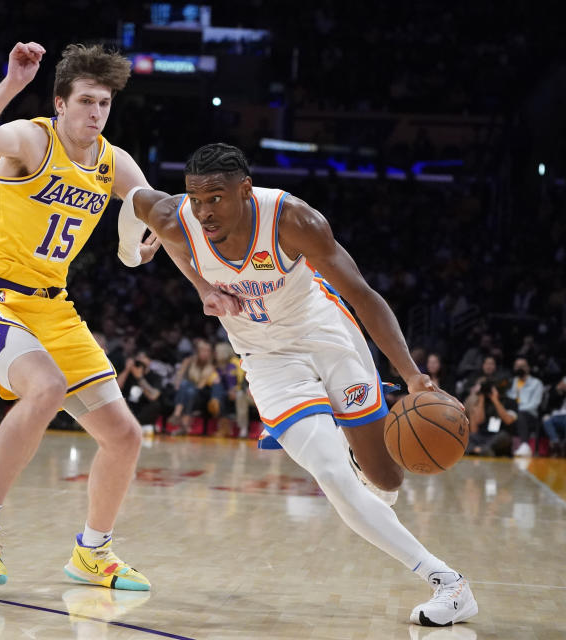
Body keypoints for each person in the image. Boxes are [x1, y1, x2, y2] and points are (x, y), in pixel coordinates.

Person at [120, 143, 477, 626]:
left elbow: (363, 295)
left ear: (245, 190)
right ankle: (449, 583)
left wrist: (412, 375)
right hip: (268, 360)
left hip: (326, 334)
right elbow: (132, 199)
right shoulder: (175, 216)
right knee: (332, 476)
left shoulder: (292, 220)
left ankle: (361, 453)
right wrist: (136, 257)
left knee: (386, 479)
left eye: (216, 198)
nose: (203, 212)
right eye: (196, 199)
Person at [0, 41, 163, 590]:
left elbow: (154, 210)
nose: (96, 114)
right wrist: (12, 85)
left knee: (125, 436)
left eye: (105, 104)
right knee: (45, 388)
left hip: (54, 309)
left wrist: (149, 246)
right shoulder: (32, 139)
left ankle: (93, 552)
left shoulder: (114, 161)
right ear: (60, 104)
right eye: (86, 102)